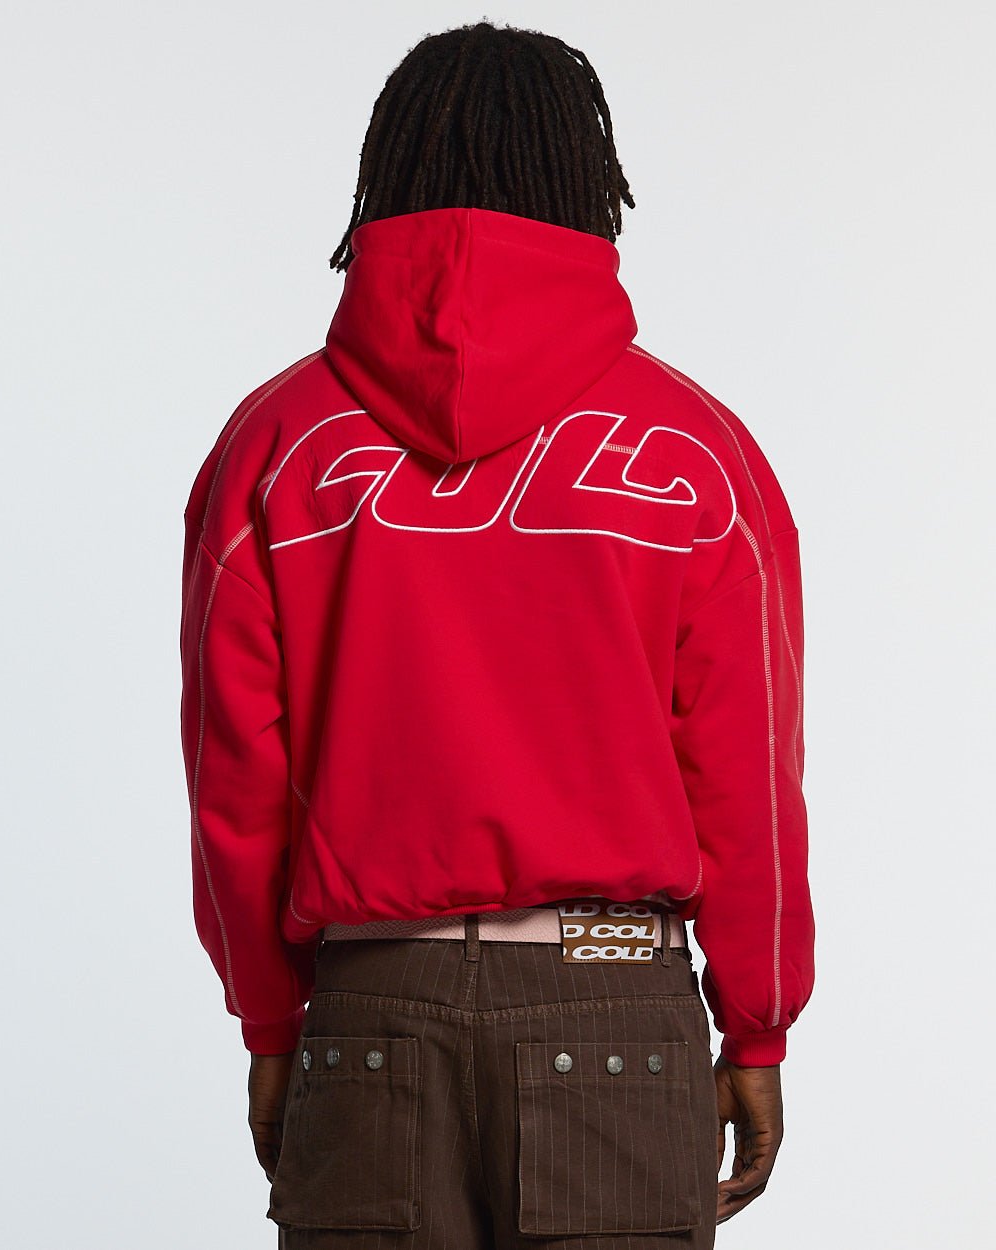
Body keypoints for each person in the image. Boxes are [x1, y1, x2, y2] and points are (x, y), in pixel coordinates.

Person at [179, 19, 816, 1249]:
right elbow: (747, 773)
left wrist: (269, 1019)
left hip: (370, 1011)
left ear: (386, 179)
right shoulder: (696, 451)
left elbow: (233, 776)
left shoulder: (275, 443)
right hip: (615, 1006)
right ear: (586, 187)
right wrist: (758, 1024)